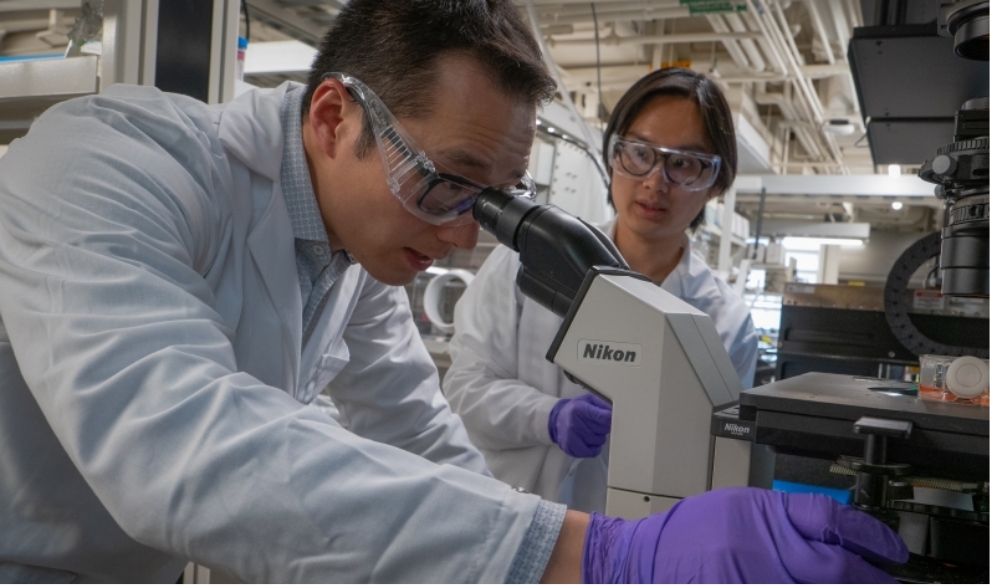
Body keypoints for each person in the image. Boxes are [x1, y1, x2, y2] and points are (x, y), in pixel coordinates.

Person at [0, 1, 905, 582]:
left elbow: (421, 431)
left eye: (491, 199)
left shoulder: (354, 250)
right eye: (449, 181)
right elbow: (184, 448)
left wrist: (541, 550)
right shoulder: (107, 164)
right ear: (331, 116)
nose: (466, 232)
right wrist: (598, 556)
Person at [445, 68, 759, 513]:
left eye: (684, 163)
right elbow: (465, 387)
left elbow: (718, 460)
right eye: (639, 153)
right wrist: (547, 418)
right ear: (614, 156)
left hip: (636, 549)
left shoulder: (726, 323)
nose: (655, 181)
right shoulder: (525, 258)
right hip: (506, 520)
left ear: (717, 182)